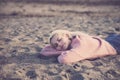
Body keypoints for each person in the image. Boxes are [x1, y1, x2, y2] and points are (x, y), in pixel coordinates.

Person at [40, 30, 120, 64]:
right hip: (107, 39)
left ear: (67, 35)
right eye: (56, 45)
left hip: (115, 44)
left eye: (60, 40)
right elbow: (44, 51)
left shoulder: (80, 44)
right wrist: (58, 48)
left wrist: (60, 51)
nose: (59, 44)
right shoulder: (73, 41)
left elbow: (64, 59)